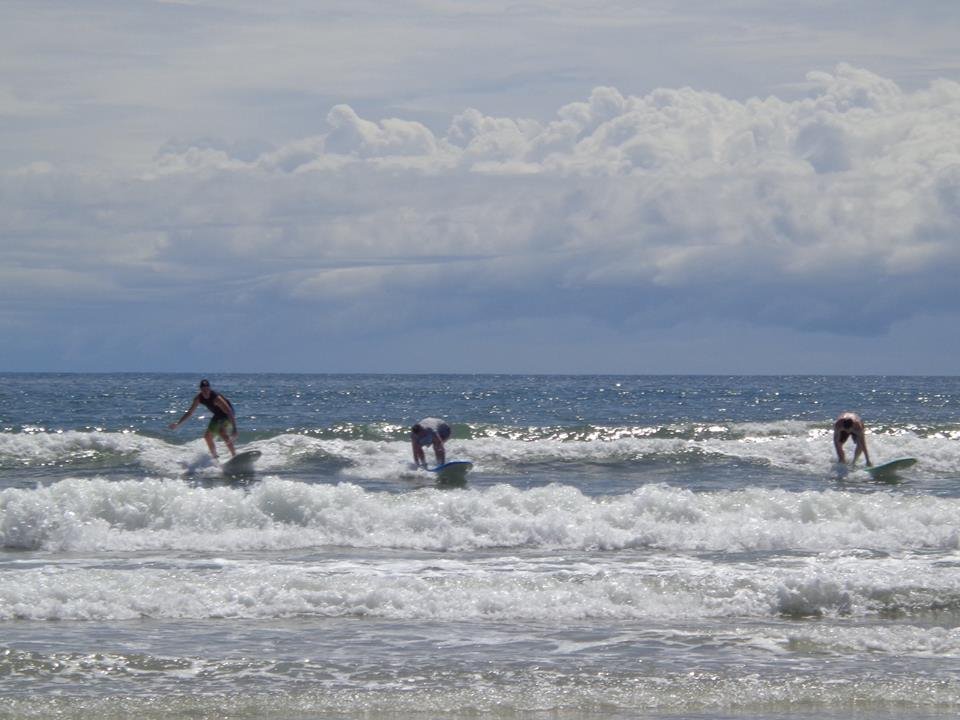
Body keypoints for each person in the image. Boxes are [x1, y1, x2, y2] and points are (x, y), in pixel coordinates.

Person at [169, 379, 238, 460]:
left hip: (227, 414)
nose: (205, 392)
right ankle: (215, 457)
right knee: (207, 436)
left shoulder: (216, 398)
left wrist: (235, 429)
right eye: (203, 390)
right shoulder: (199, 398)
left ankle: (234, 456)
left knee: (221, 431)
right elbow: (190, 412)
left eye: (207, 389)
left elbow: (229, 411)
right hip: (217, 415)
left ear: (209, 388)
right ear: (200, 390)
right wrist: (178, 424)